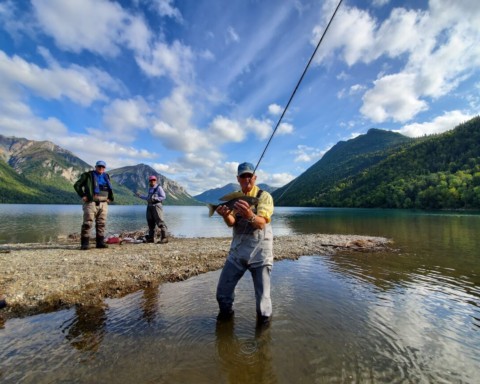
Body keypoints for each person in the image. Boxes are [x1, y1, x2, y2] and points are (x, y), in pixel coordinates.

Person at [215, 162, 274, 326]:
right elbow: (231, 223)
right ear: (238, 179)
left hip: (260, 253)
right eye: (243, 176)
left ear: (254, 178)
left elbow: (262, 223)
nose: (247, 179)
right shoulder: (234, 197)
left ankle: (263, 335)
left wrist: (250, 215)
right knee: (222, 294)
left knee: (263, 302)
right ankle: (225, 325)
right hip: (238, 252)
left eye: (250, 176)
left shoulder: (264, 197)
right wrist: (225, 215)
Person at [73, 160, 114, 250]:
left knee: (101, 224)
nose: (101, 168)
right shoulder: (87, 175)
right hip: (91, 203)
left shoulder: (106, 176)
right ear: (95, 167)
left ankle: (100, 243)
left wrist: (110, 198)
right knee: (87, 223)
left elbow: (109, 189)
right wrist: (83, 195)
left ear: (104, 168)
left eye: (102, 167)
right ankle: (85, 244)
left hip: (104, 204)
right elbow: (77, 185)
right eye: (99, 166)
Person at [135, 175, 169, 244]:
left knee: (160, 222)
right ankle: (151, 238)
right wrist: (140, 196)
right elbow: (148, 198)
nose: (152, 181)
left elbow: (163, 197)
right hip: (149, 206)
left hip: (157, 206)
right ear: (149, 182)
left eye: (153, 180)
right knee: (150, 223)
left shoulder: (159, 188)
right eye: (151, 180)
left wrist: (155, 199)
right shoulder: (150, 189)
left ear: (156, 181)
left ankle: (164, 238)